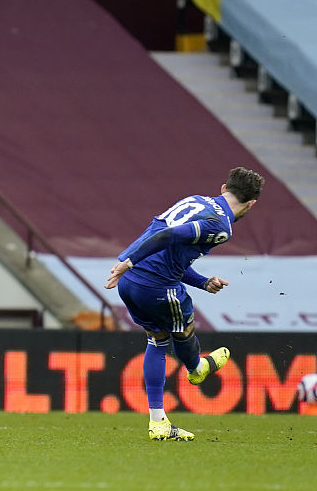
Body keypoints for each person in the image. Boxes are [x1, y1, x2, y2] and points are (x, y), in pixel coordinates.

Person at [104, 167, 262, 441]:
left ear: (224, 188)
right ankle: (196, 368)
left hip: (130, 282)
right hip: (155, 285)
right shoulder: (220, 226)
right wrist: (127, 263)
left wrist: (202, 282)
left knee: (157, 341)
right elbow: (169, 236)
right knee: (184, 332)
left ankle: (158, 423)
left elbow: (170, 254)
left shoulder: (196, 200)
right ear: (251, 205)